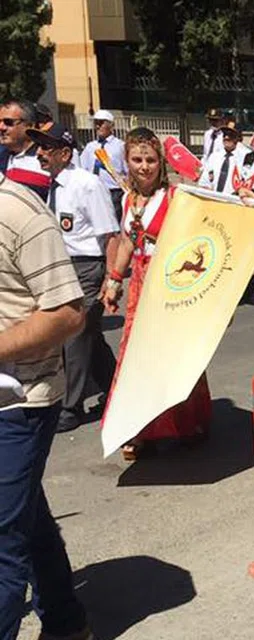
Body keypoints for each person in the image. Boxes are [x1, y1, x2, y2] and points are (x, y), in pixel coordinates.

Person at [0, 171, 90, 640]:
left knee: (2, 541)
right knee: (24, 515)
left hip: (18, 402)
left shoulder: (20, 213)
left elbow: (67, 313)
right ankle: (66, 621)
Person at [100, 127, 212, 461]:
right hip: (140, 284)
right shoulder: (126, 198)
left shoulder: (176, 197)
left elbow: (197, 238)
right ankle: (136, 429)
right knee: (135, 357)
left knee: (176, 354)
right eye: (137, 159)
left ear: (160, 163)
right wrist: (114, 280)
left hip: (170, 281)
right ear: (128, 161)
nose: (144, 166)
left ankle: (187, 422)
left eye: (150, 160)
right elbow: (126, 242)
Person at [29, 124, 120, 434]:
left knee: (74, 335)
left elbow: (110, 235)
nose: (39, 153)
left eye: (46, 148)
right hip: (61, 266)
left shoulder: (87, 185)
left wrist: (111, 278)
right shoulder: (50, 184)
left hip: (87, 268)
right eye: (38, 147)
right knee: (90, 336)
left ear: (65, 153)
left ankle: (70, 406)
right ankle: (115, 387)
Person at [79, 109, 127, 222]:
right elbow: (83, 169)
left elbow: (127, 170)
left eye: (101, 123)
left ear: (111, 125)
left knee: (113, 222)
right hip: (93, 190)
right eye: (96, 123)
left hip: (113, 191)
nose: (98, 126)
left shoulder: (120, 146)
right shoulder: (90, 147)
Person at [0, 99, 50, 200]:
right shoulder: (2, 156)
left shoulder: (48, 158)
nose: (1, 127)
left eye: (8, 122)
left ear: (30, 125)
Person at [198, 120, 247, 193]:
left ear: (238, 138)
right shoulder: (214, 156)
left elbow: (247, 183)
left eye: (231, 135)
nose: (226, 137)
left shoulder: (245, 158)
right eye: (224, 134)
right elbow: (204, 182)